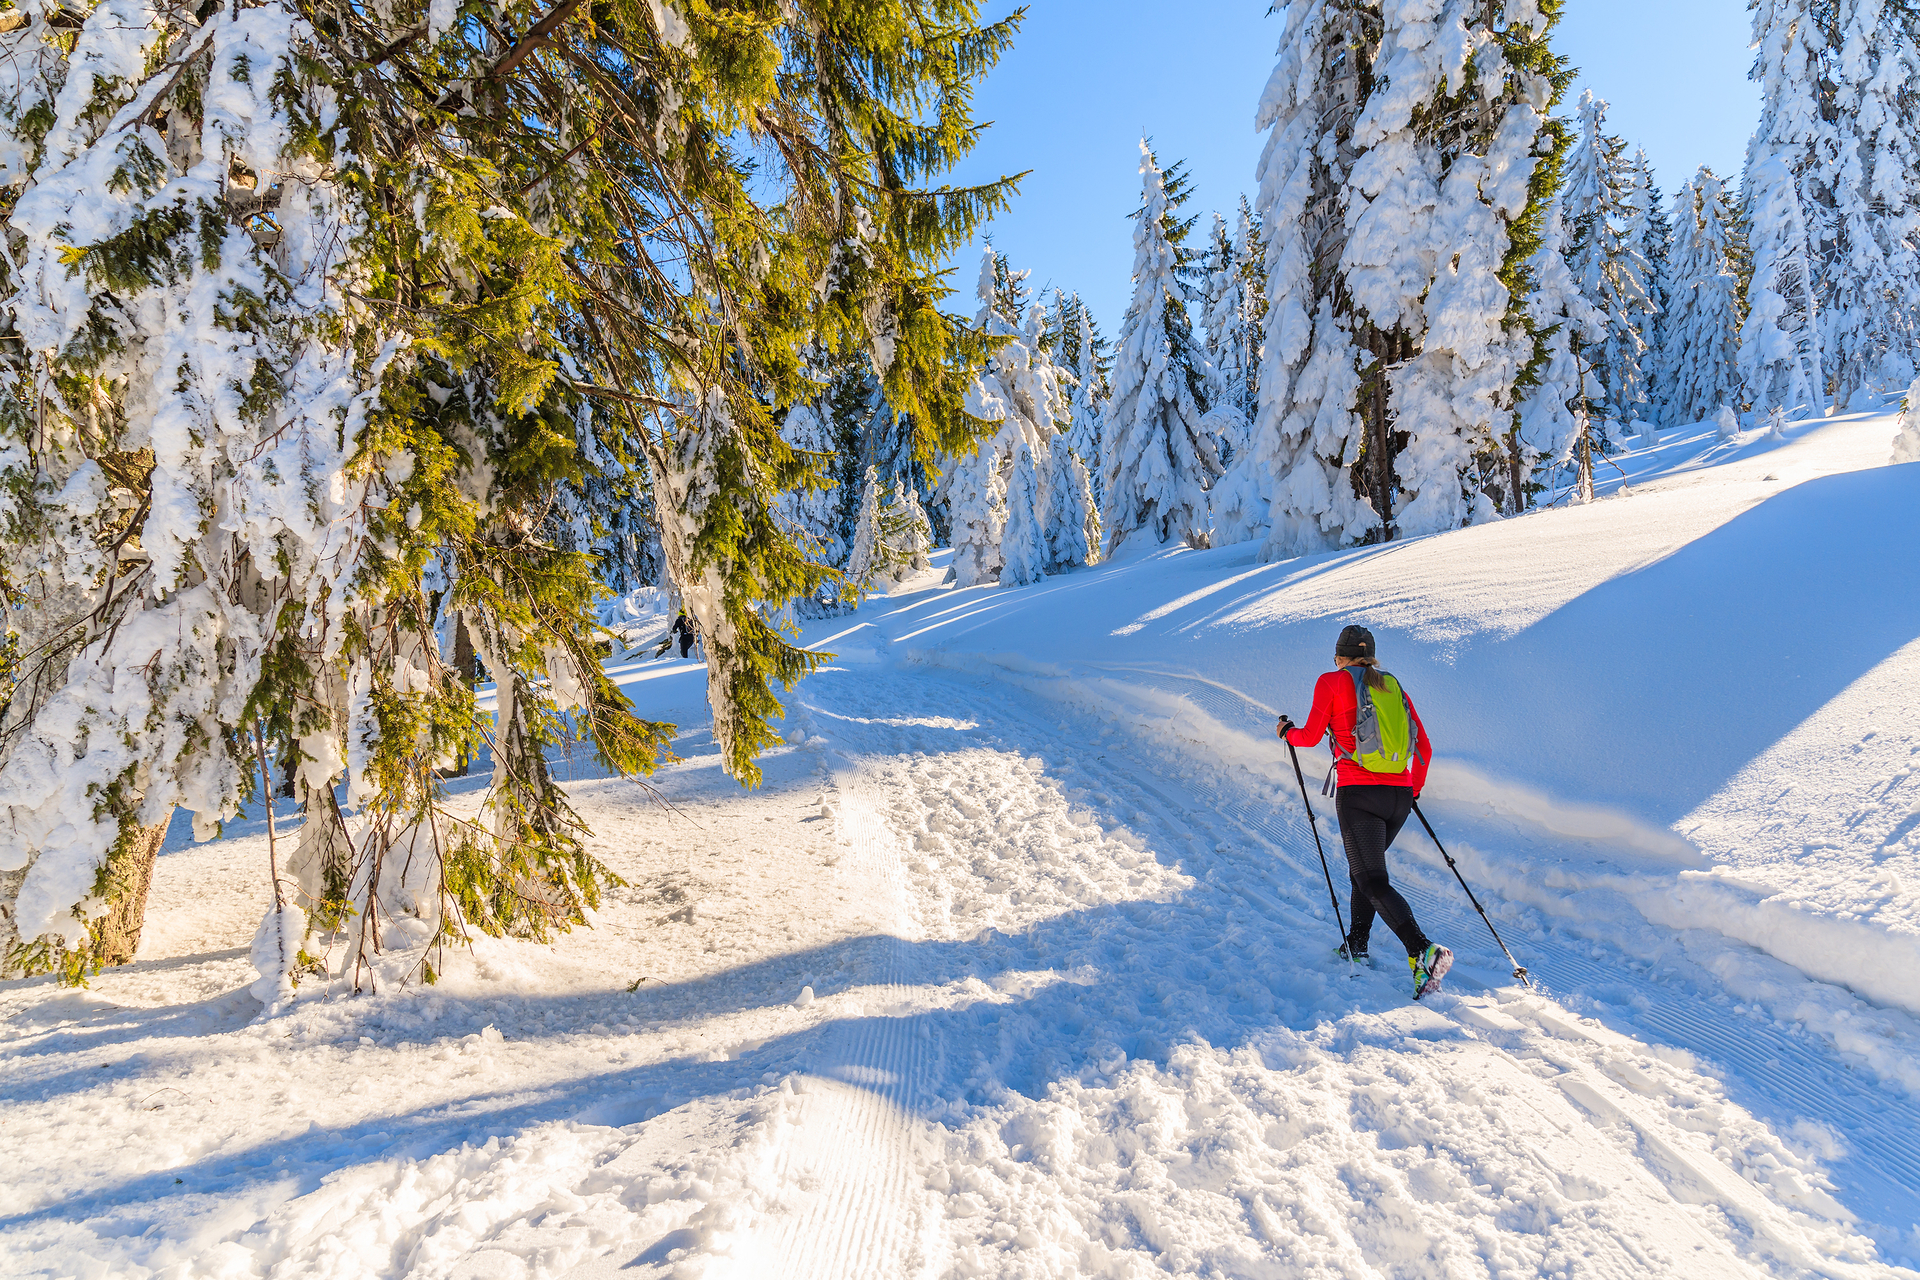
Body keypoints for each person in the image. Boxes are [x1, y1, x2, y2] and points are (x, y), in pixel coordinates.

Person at [1277, 624, 1453, 999]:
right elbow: (1425, 749)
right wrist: (1412, 789)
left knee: (1372, 878)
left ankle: (1422, 950)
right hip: (1399, 797)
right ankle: (1356, 943)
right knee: (1366, 871)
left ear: (1340, 656)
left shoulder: (1331, 682)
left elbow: (1308, 737)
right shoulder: (1392, 684)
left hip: (1359, 795)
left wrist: (1286, 732)